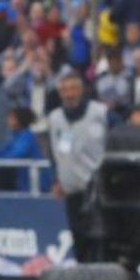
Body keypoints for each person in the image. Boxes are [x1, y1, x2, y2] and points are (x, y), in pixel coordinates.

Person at [48, 70, 108, 262]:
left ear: (81, 89)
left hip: (98, 189)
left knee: (99, 238)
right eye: (65, 90)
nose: (69, 94)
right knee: (78, 237)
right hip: (71, 189)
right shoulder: (55, 118)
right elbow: (54, 152)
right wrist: (57, 179)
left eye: (73, 88)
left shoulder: (100, 112)